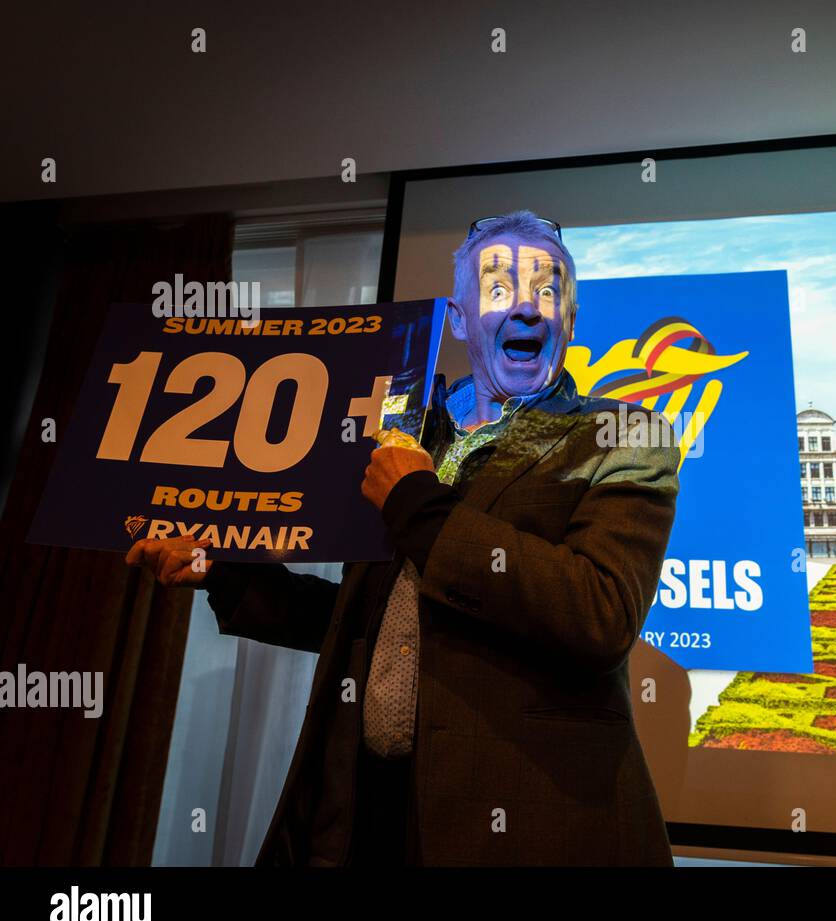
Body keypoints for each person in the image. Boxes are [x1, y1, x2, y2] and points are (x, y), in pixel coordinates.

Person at [127, 210, 680, 866]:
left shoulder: (624, 436)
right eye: (500, 288)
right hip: (365, 818)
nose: (528, 307)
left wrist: (416, 502)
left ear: (571, 321)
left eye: (549, 290)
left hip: (519, 833)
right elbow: (368, 624)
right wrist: (222, 570)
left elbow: (599, 612)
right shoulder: (407, 432)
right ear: (458, 317)